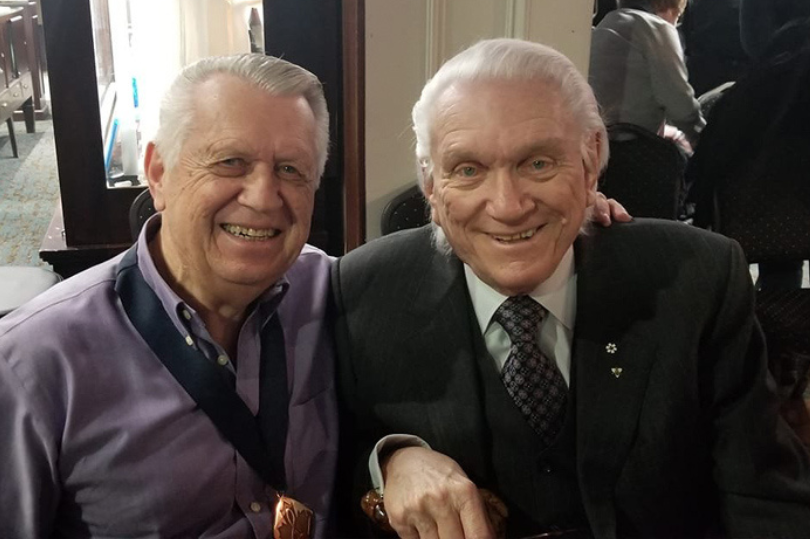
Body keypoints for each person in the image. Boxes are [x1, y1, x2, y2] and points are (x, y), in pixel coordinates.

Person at [332, 38, 810, 538]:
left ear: (591, 161)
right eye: (468, 170)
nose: (508, 205)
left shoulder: (699, 278)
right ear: (431, 185)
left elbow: (763, 495)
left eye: (537, 163)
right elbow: (330, 472)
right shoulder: (364, 293)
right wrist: (390, 460)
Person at [0, 54, 337, 538]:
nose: (264, 196)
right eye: (230, 162)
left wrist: (402, 453)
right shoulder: (32, 365)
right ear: (158, 172)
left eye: (290, 169)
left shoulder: (336, 293)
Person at [589, 0, 705, 151]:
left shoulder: (604, 25)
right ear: (670, 9)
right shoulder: (658, 28)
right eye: (677, 19)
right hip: (629, 149)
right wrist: (704, 137)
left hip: (595, 144)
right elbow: (679, 104)